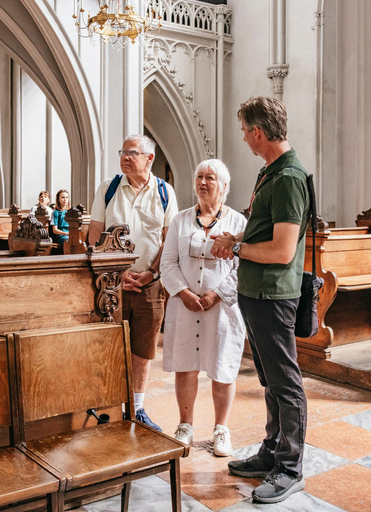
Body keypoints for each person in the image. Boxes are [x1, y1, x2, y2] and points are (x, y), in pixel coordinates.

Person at [210, 97, 310, 504]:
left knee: (285, 382)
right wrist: (238, 240)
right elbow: (262, 234)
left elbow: (283, 251)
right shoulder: (271, 172)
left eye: (244, 131)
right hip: (257, 292)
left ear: (257, 132)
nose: (244, 138)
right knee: (270, 379)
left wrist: (236, 249)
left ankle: (290, 467)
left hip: (274, 294)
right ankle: (272, 451)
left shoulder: (288, 177)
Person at [88, 134, 178, 432]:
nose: (125, 157)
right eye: (123, 152)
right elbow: (94, 235)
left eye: (132, 152)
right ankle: (108, 406)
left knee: (143, 348)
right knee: (109, 345)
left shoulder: (165, 192)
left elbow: (169, 241)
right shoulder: (108, 188)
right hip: (111, 284)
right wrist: (117, 270)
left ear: (149, 158)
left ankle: (137, 408)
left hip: (150, 284)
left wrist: (152, 273)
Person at [160, 159, 247, 456]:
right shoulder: (181, 220)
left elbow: (242, 267)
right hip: (185, 307)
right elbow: (167, 262)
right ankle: (185, 425)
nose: (202, 182)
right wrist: (183, 293)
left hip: (221, 308)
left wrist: (215, 295)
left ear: (224, 186)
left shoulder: (237, 223)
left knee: (222, 367)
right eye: (199, 176)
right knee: (185, 366)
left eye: (210, 177)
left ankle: (221, 429)